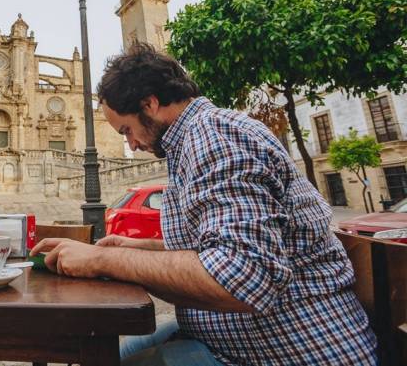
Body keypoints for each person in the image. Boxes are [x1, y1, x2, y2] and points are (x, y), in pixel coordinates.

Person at [30, 43, 377, 365]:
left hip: (289, 351)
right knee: (101, 357)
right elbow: (217, 246)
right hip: (232, 340)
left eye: (126, 130)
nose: (131, 145)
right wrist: (139, 248)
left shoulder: (214, 138)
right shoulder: (193, 140)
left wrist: (104, 259)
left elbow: (243, 278)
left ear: (150, 104)